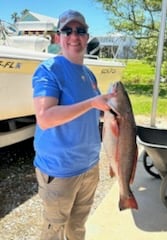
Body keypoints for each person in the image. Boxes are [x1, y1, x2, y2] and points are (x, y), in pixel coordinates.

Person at [32, 9, 115, 240]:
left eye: (80, 30)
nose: (74, 35)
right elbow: (45, 118)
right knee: (54, 231)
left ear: (87, 37)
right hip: (59, 170)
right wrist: (91, 103)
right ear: (58, 37)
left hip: (89, 167)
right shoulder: (49, 70)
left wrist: (111, 112)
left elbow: (91, 112)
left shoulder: (88, 74)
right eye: (67, 30)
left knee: (77, 227)